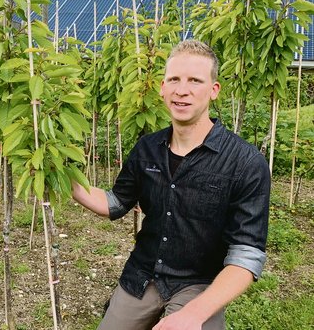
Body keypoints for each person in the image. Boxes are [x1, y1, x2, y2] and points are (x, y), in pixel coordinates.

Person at [72, 39, 270, 330]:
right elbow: (115, 202)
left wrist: (194, 314)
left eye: (195, 80)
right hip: (142, 275)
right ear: (162, 88)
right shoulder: (147, 148)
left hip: (199, 283)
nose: (182, 90)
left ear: (213, 91)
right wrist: (62, 179)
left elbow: (247, 255)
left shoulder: (244, 162)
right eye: (174, 79)